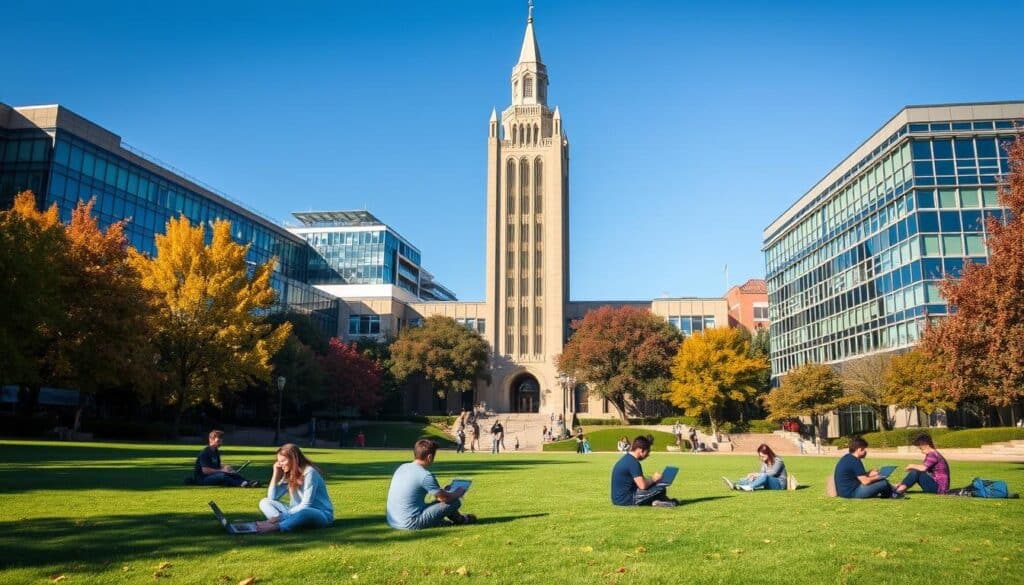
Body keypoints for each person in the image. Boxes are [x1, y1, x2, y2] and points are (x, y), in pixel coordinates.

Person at [386, 439, 476, 530]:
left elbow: (438, 496)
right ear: (429, 457)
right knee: (454, 502)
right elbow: (444, 499)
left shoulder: (402, 467)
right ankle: (461, 520)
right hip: (410, 522)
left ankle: (457, 520)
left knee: (447, 500)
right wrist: (458, 493)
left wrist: (444, 491)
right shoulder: (425, 475)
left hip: (394, 521)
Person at [256, 444, 333, 533]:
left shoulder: (310, 472)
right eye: (278, 461)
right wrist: (275, 474)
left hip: (319, 514)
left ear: (294, 460)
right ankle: (287, 522)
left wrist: (281, 517)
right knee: (264, 502)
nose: (280, 464)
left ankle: (276, 526)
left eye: (283, 461)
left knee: (305, 512)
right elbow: (272, 497)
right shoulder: (290, 473)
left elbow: (306, 504)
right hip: (295, 511)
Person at [610, 435, 676, 507]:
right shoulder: (633, 463)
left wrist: (652, 480)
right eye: (647, 452)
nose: (648, 455)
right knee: (660, 487)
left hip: (618, 499)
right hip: (627, 499)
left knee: (654, 484)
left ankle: (661, 501)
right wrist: (654, 479)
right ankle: (662, 502)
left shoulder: (627, 459)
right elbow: (642, 486)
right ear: (641, 450)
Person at [833, 436, 898, 499]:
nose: (865, 452)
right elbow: (865, 481)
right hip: (852, 493)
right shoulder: (855, 461)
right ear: (859, 449)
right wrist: (878, 477)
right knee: (883, 482)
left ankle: (892, 490)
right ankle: (893, 494)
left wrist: (869, 473)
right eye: (864, 449)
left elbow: (858, 476)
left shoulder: (847, 457)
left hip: (844, 492)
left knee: (881, 481)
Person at [193, 430, 258, 487]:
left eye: (221, 441)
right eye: (218, 441)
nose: (220, 444)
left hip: (212, 476)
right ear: (211, 440)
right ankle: (242, 483)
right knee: (223, 475)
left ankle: (249, 482)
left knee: (232, 473)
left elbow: (217, 465)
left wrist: (226, 467)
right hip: (203, 479)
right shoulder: (205, 453)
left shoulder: (216, 452)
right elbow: (205, 471)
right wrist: (222, 470)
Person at [722, 444, 787, 491]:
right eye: (760, 456)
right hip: (769, 483)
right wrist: (754, 477)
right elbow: (762, 474)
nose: (761, 458)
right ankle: (735, 484)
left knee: (764, 476)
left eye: (763, 456)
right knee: (752, 478)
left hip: (780, 484)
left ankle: (749, 487)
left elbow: (772, 473)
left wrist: (756, 474)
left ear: (768, 454)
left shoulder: (778, 460)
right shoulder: (765, 462)